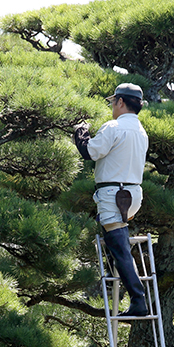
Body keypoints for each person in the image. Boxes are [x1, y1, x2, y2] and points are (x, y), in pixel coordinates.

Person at [73, 83, 149, 318]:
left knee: (119, 248)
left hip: (113, 195)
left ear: (120, 102)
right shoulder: (141, 130)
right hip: (133, 194)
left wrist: (80, 132)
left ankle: (138, 299)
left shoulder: (114, 126)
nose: (111, 107)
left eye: (112, 102)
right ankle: (136, 296)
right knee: (120, 244)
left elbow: (90, 153)